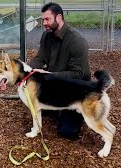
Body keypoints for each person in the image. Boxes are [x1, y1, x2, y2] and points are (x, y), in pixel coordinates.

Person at [29, 2, 90, 140]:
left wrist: (49, 74)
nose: (44, 23)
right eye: (42, 19)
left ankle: (81, 112)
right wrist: (25, 72)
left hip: (76, 91)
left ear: (59, 17)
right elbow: (40, 58)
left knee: (67, 132)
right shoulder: (46, 36)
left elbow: (78, 74)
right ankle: (57, 110)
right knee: (34, 105)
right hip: (54, 84)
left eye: (47, 19)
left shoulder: (76, 41)